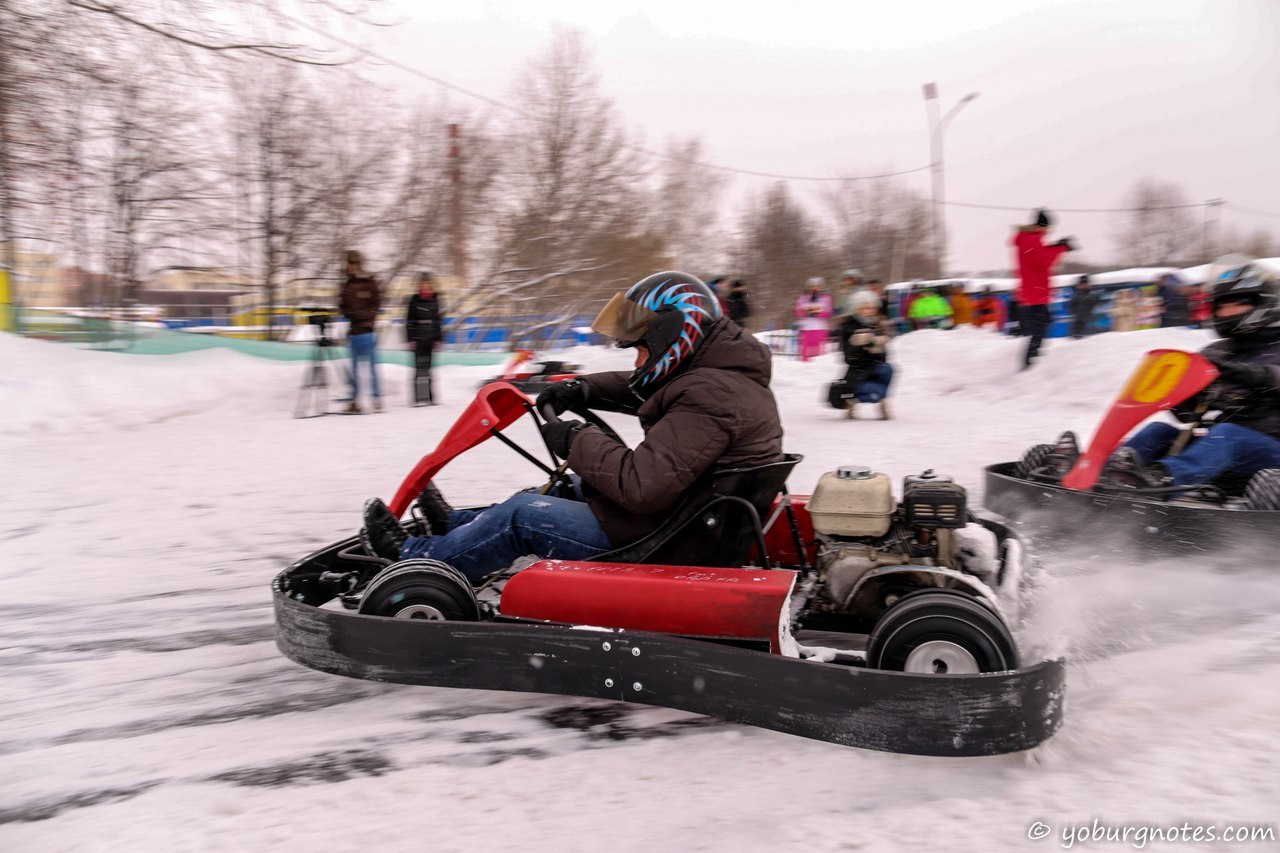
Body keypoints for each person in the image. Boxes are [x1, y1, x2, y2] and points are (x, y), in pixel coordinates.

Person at [359, 271, 785, 583]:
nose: (636, 359)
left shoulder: (710, 394)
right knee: (562, 491)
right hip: (682, 516)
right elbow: (644, 389)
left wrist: (577, 438)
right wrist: (581, 391)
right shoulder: (718, 377)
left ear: (672, 334)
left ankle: (416, 559)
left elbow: (643, 486)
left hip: (661, 538)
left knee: (522, 517)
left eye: (639, 349)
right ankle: (458, 526)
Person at [1051, 262, 1280, 492]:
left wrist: (1254, 376)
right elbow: (1186, 414)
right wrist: (1184, 397)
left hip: (1271, 452)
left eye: (1239, 304)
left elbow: (1273, 377)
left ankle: (1163, 478)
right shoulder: (1218, 352)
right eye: (1223, 306)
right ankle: (1098, 473)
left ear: (1263, 304)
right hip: (1223, 449)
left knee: (1227, 435)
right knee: (1159, 431)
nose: (1227, 312)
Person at [1012, 209, 1073, 369]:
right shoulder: (1031, 239)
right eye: (1049, 228)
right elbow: (1042, 262)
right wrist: (1060, 248)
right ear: (1043, 226)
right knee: (1040, 327)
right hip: (1035, 293)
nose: (1049, 232)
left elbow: (1040, 256)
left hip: (1034, 292)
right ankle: (1030, 363)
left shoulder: (1030, 239)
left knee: (1042, 324)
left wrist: (1057, 246)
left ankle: (1033, 361)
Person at [827, 300, 894, 419]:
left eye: (872, 308)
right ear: (857, 309)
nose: (870, 311)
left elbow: (884, 357)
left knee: (888, 369)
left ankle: (881, 400)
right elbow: (848, 357)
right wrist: (859, 346)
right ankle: (853, 400)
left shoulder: (877, 324)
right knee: (876, 392)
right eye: (866, 308)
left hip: (874, 367)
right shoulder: (849, 326)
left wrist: (876, 348)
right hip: (858, 371)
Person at [339, 250, 382, 413]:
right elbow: (342, 307)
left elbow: (376, 305)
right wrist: (349, 314)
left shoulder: (369, 282)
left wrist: (362, 317)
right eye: (350, 263)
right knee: (354, 371)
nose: (351, 266)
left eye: (354, 263)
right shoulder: (347, 285)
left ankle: (376, 399)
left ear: (359, 265)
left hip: (367, 332)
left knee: (371, 368)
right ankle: (354, 401)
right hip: (354, 333)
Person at [405, 272, 444, 406]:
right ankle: (417, 398)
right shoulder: (414, 300)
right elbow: (409, 321)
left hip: (430, 337)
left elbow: (438, 321)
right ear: (420, 285)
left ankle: (430, 398)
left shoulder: (435, 300)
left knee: (428, 370)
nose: (425, 286)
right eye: (423, 283)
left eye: (428, 283)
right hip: (418, 337)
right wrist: (410, 339)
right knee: (418, 369)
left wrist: (438, 339)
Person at [793, 277, 833, 361]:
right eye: (812, 286)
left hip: (820, 328)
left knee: (819, 353)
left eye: (818, 286)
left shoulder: (826, 298)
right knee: (806, 352)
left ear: (822, 287)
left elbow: (829, 312)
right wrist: (805, 313)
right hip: (806, 328)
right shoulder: (802, 298)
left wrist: (818, 313)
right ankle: (805, 368)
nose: (815, 288)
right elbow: (797, 312)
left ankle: (818, 368)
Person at [1069, 275, 1100, 339]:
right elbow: (1072, 306)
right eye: (1082, 284)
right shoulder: (1077, 295)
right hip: (1080, 321)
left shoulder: (1093, 294)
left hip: (1090, 322)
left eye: (1086, 284)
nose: (1084, 285)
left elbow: (1095, 304)